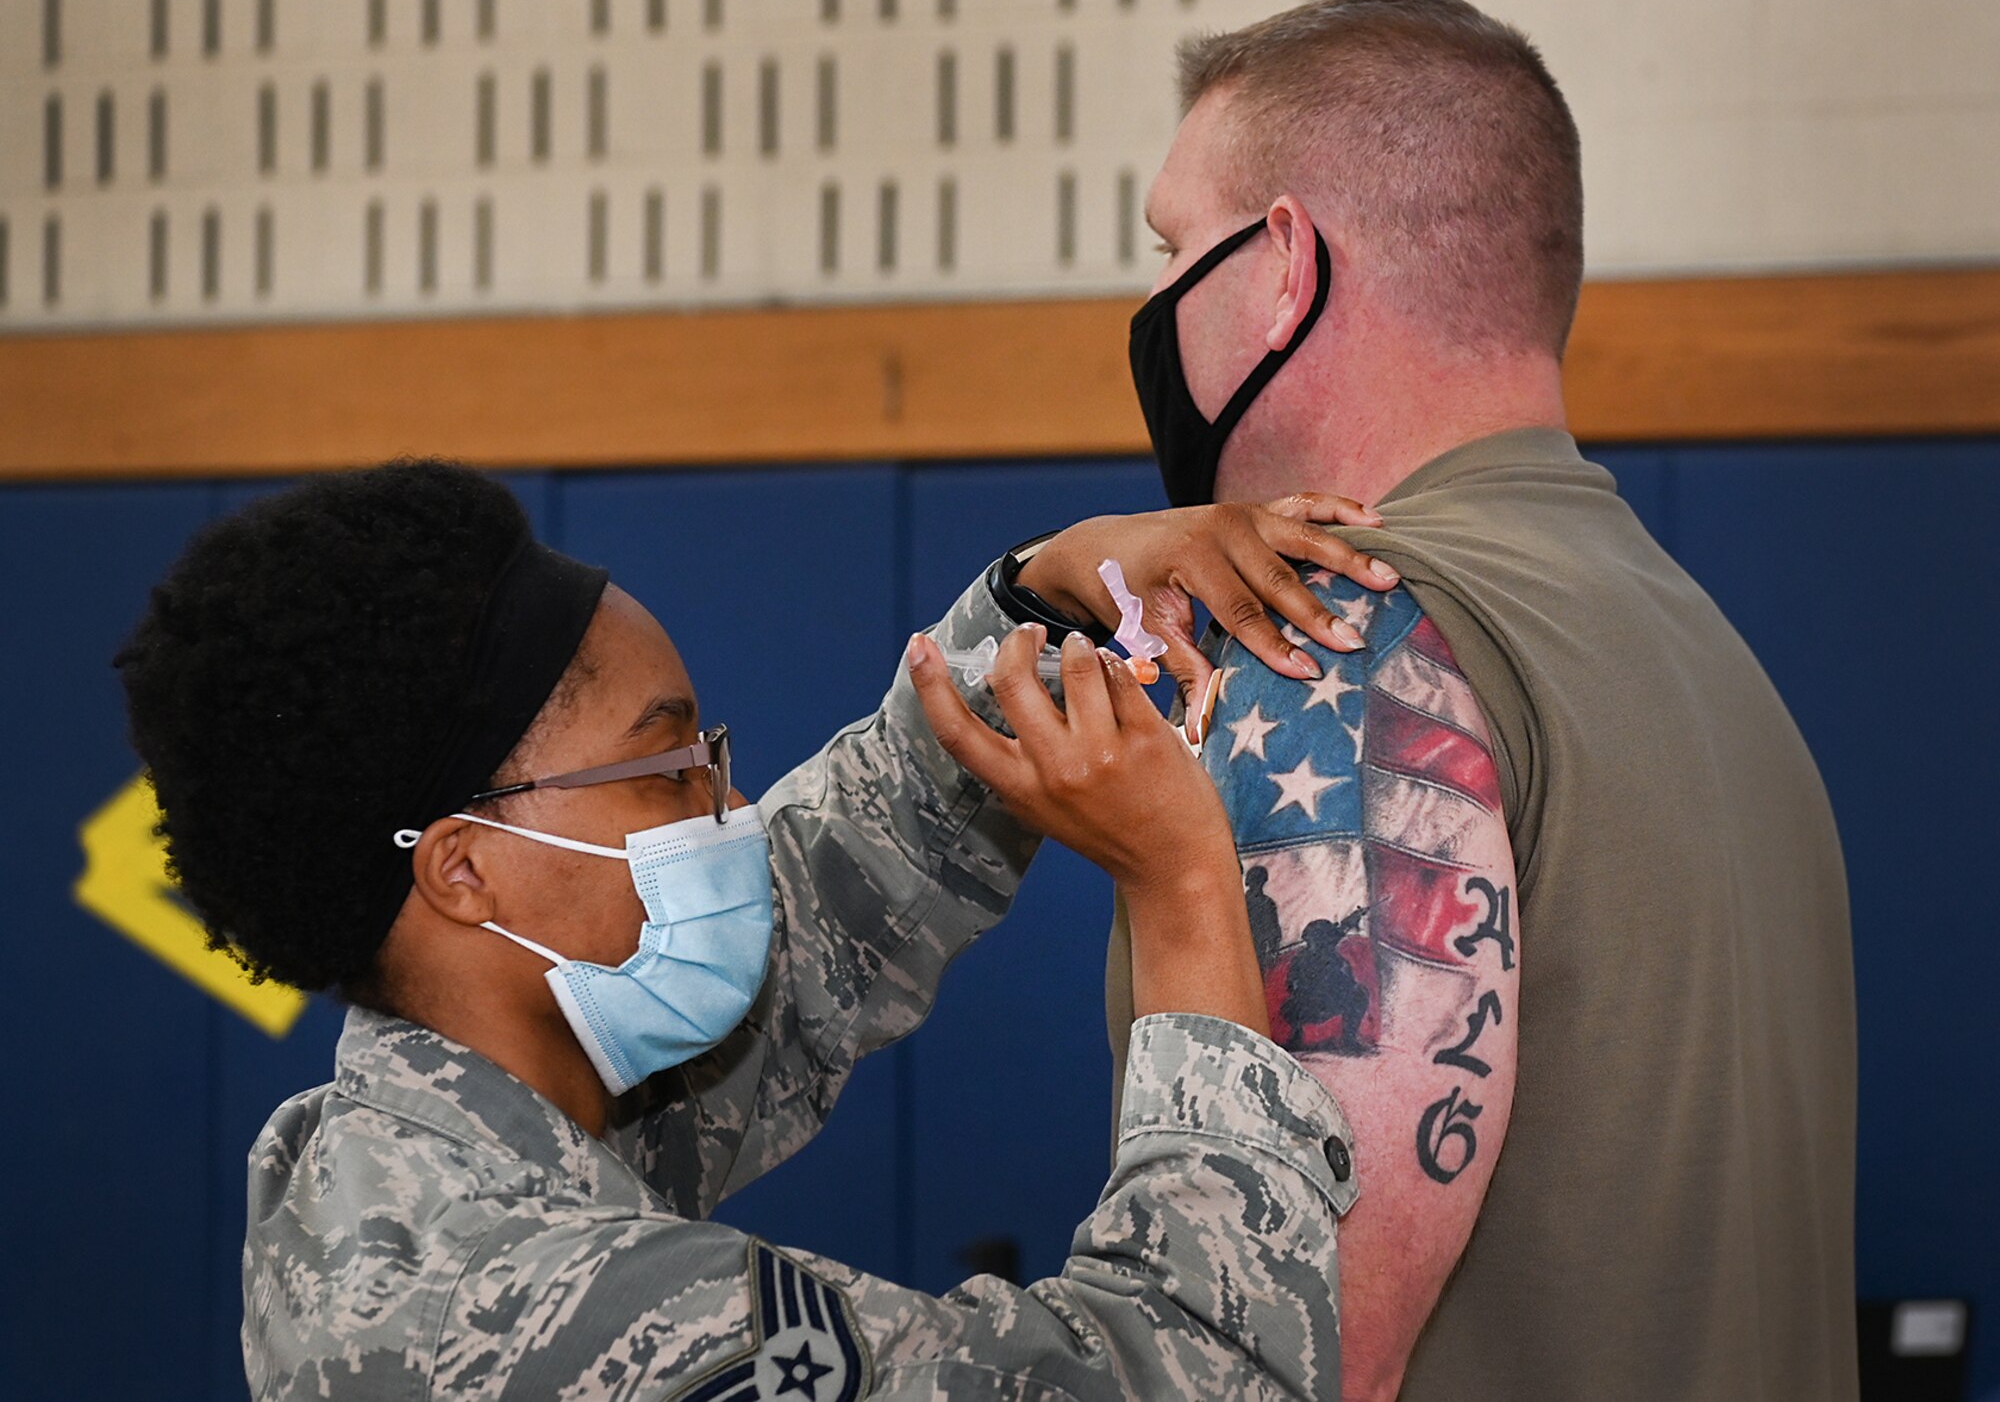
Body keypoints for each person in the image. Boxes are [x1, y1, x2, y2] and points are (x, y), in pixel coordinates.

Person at [115, 458, 1399, 1401]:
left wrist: (1043, 601)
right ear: (464, 869)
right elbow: (1183, 1376)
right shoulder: (545, 1324)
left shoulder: (403, 1149)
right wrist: (1180, 889)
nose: (723, 803)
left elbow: (821, 911)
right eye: (666, 763)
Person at [1074, 0, 1857, 1402]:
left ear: (1282, 270)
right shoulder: (1709, 662)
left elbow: (1287, 1358)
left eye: (1174, 248)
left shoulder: (1333, 630)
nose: (1150, 305)